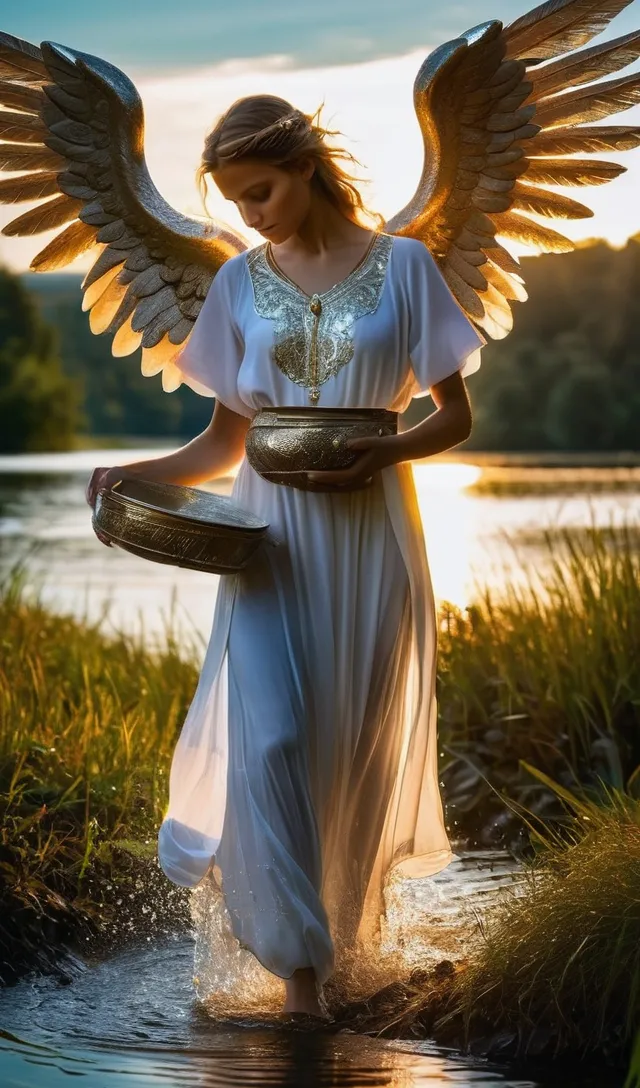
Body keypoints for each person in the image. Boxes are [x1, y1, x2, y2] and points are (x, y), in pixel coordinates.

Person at [86, 94, 484, 1019]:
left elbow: (455, 415)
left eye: (260, 192)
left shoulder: (409, 270)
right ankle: (303, 987)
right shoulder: (236, 283)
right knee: (269, 744)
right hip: (265, 542)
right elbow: (223, 444)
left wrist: (379, 452)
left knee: (348, 750)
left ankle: (343, 954)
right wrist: (128, 474)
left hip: (371, 534)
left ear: (306, 166)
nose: (250, 215)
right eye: (235, 200)